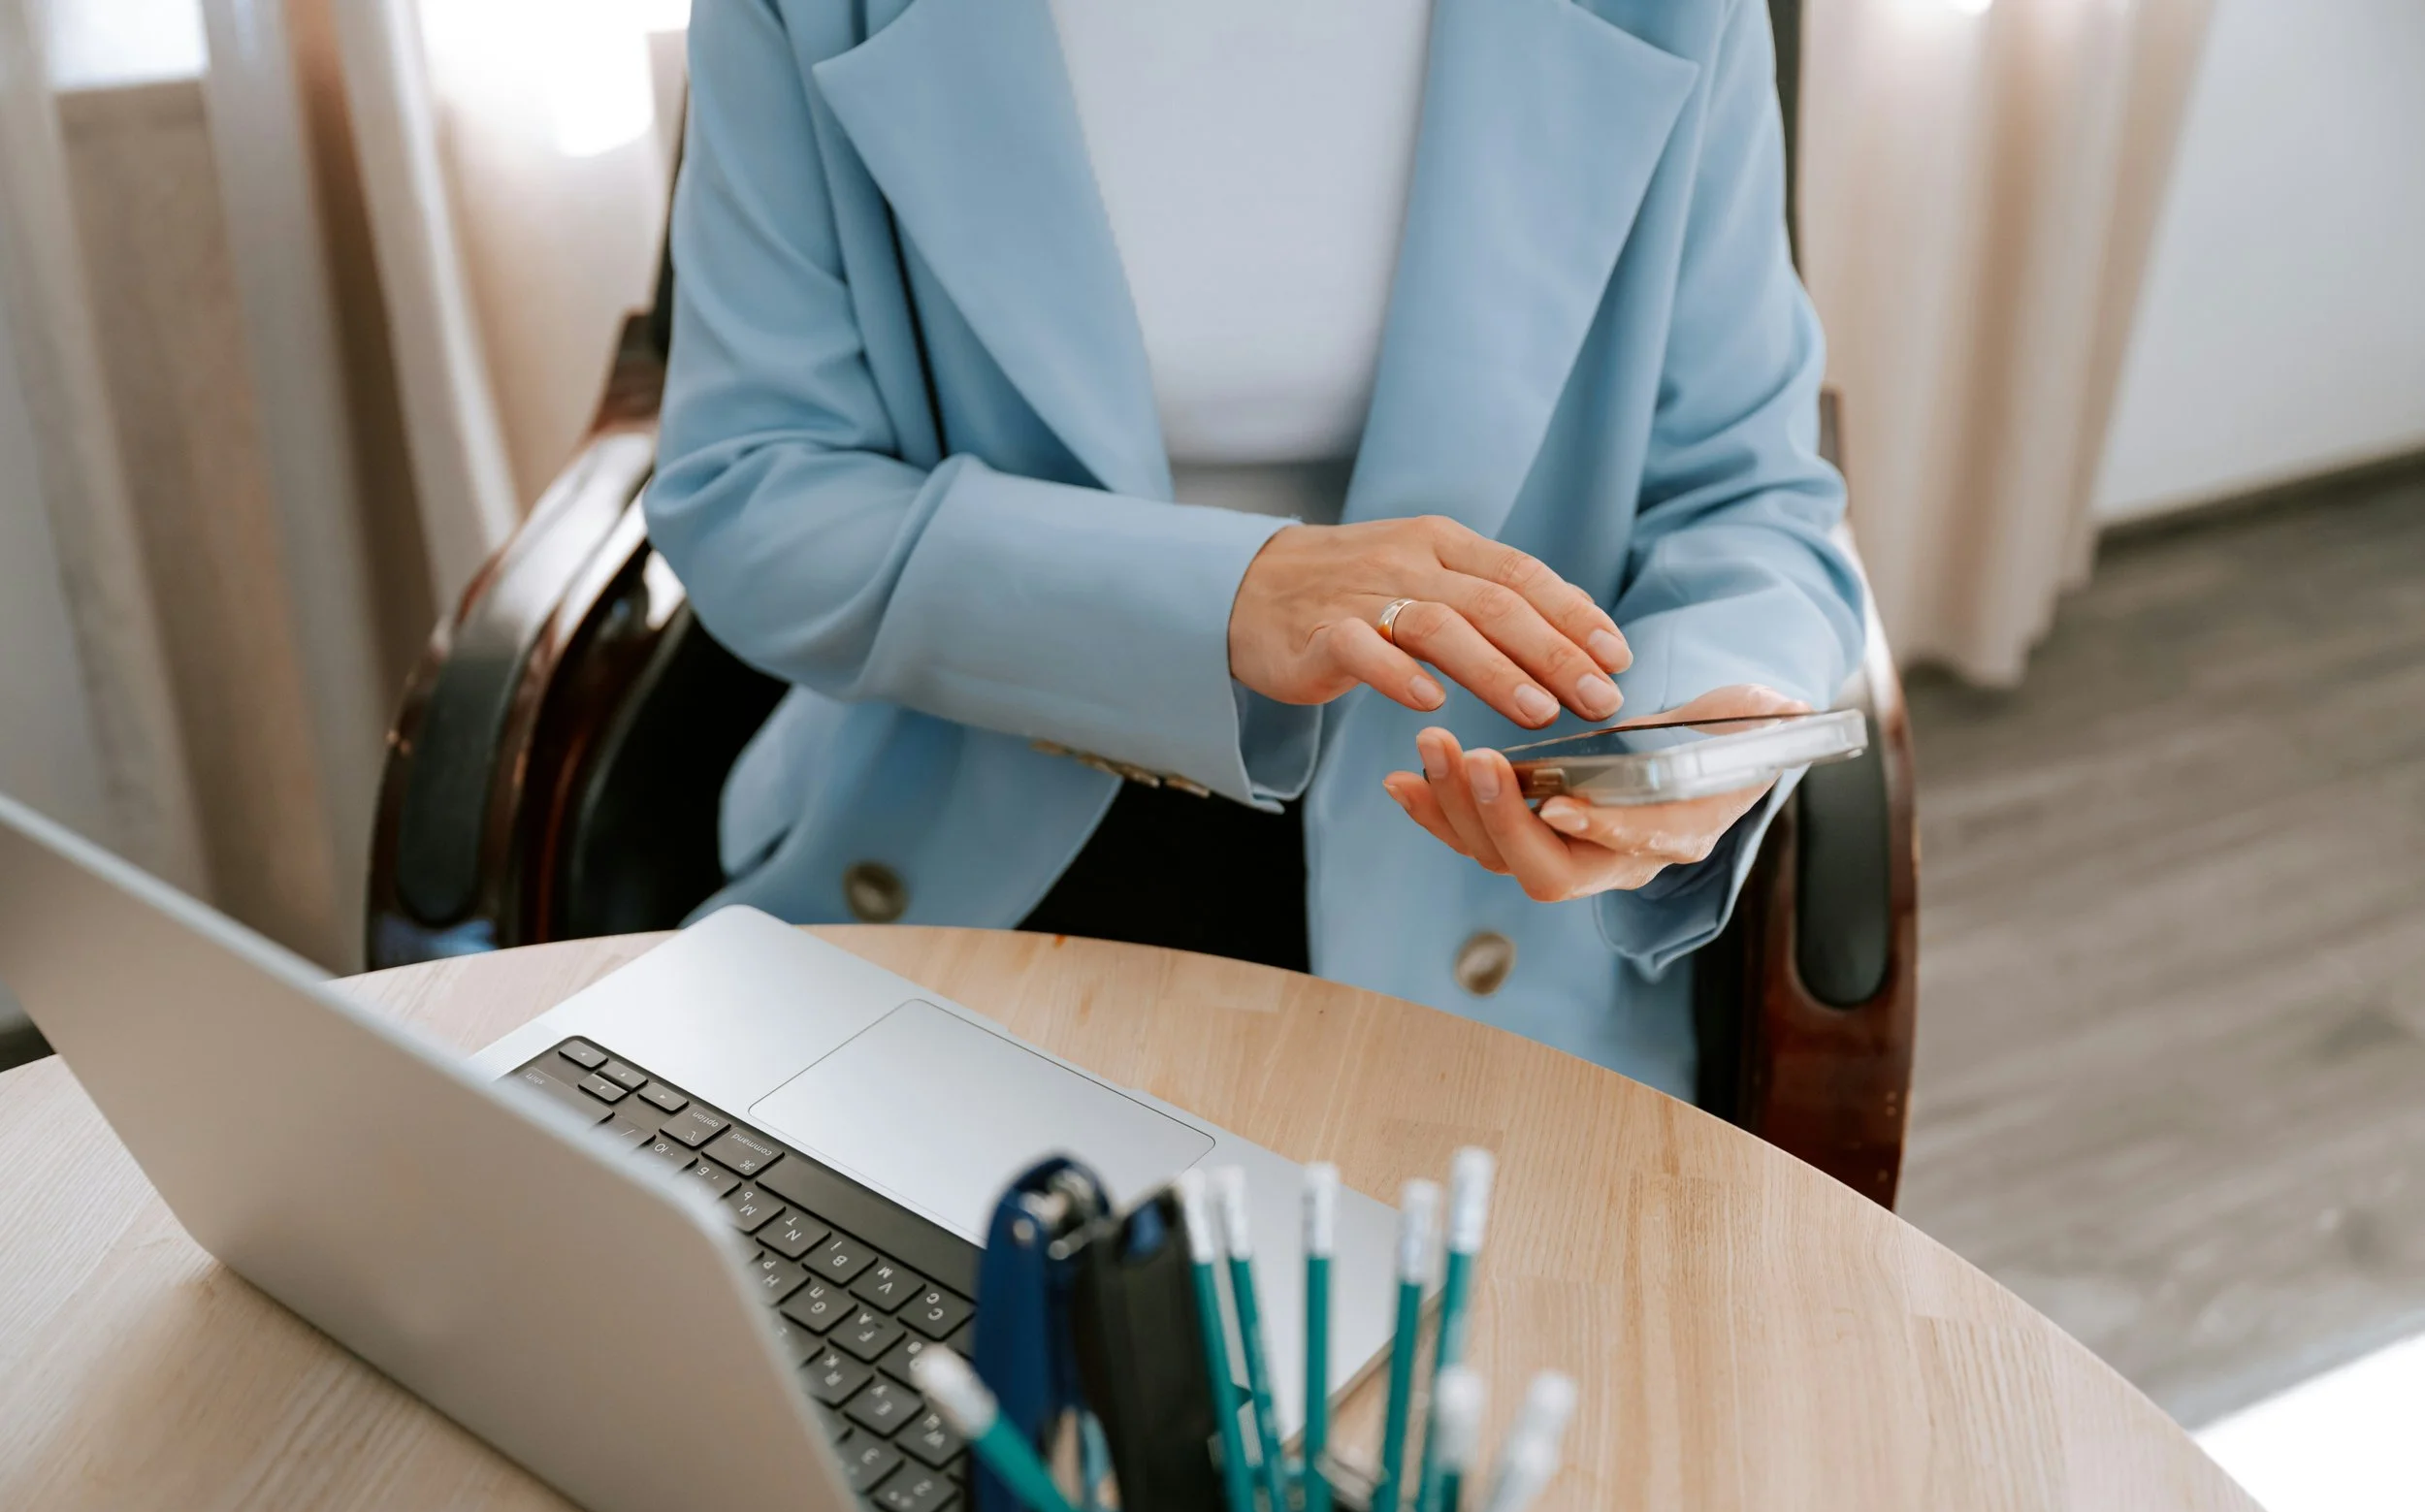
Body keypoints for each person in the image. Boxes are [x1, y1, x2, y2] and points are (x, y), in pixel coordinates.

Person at [643, 0, 1866, 1101]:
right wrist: (1228, 597)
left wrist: (1664, 737)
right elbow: (753, 489)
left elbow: (1746, 495)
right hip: (955, 832)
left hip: (1476, 868)